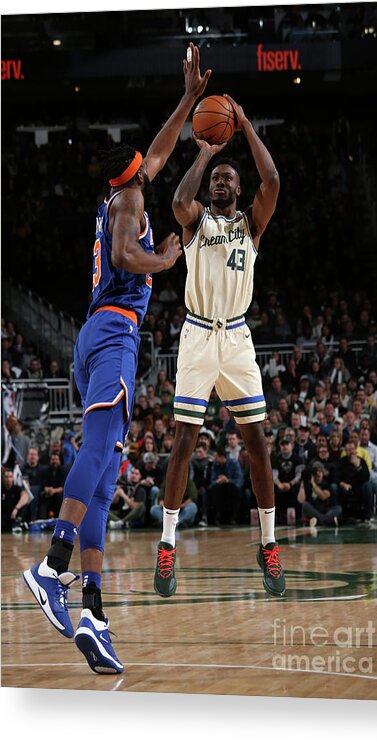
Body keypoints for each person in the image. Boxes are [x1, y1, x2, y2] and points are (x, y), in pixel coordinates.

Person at [23, 43, 211, 675]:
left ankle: (95, 614)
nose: (150, 165)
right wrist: (168, 257)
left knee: (104, 484)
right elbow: (133, 258)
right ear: (131, 174)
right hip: (112, 333)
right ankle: (51, 567)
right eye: (144, 165)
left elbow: (159, 151)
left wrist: (187, 100)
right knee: (100, 450)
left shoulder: (124, 193)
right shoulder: (129, 206)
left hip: (98, 336)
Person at [153, 93, 285, 599]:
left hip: (236, 337)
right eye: (217, 180)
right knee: (184, 440)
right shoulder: (195, 224)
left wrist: (245, 125)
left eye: (229, 178)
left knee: (257, 444)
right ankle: (167, 546)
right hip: (196, 335)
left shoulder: (251, 226)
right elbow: (177, 203)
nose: (223, 183)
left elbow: (272, 182)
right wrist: (206, 150)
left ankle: (268, 544)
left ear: (238, 188)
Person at [297, 461, 342, 527]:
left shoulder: (326, 484)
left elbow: (323, 497)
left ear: (323, 473)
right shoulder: (307, 485)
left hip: (324, 511)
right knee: (305, 505)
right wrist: (302, 484)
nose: (318, 474)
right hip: (312, 511)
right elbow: (301, 501)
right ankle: (326, 520)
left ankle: (320, 520)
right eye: (316, 472)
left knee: (338, 508)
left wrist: (313, 484)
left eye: (320, 471)